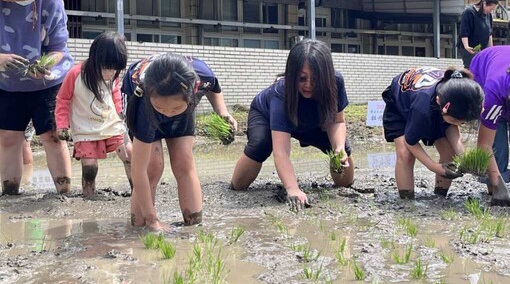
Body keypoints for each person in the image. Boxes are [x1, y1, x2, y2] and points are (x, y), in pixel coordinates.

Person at [230, 39, 354, 210]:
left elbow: (337, 121)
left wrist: (339, 147)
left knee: (344, 179)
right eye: (302, 78)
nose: (309, 85)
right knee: (259, 148)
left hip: (312, 121)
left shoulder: (336, 82)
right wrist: (293, 188)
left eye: (315, 78)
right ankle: (236, 182)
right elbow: (281, 152)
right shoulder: (281, 94)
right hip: (266, 115)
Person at [122, 53, 237, 231]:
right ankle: (140, 227)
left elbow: (214, 86)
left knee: (184, 161)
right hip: (148, 110)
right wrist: (153, 220)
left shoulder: (201, 75)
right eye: (162, 108)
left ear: (193, 91)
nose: (168, 113)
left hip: (182, 106)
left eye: (174, 108)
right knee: (152, 167)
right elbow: (138, 170)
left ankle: (194, 225)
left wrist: (223, 112)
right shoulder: (144, 105)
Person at [0, 0, 73, 195]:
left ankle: (64, 192)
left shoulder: (51, 1)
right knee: (9, 137)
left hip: (47, 83)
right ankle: (10, 193)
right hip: (7, 84)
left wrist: (45, 65)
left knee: (52, 136)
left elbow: (58, 47)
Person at [381, 67, 484, 199]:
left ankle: (440, 197)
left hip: (435, 105)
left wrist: (465, 158)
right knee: (405, 154)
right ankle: (406, 201)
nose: (458, 125)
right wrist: (434, 167)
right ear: (442, 105)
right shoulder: (422, 108)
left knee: (449, 152)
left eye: (462, 122)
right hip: (400, 104)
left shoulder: (460, 97)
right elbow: (410, 141)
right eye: (454, 120)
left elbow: (452, 127)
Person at [55, 32, 131, 197]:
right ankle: (89, 196)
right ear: (95, 59)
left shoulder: (113, 77)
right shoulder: (75, 74)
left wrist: (119, 112)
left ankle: (138, 191)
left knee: (129, 154)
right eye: (106, 68)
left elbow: (115, 93)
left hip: (110, 121)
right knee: (90, 167)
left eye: (115, 69)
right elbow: (62, 100)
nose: (110, 73)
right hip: (84, 126)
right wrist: (62, 126)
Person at [470, 46, 510, 205]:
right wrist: (499, 186)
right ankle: (495, 185)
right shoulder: (493, 94)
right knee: (497, 143)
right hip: (484, 70)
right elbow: (484, 145)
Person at [458, 0, 499, 69]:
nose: (491, 11)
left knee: (482, 68)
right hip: (469, 47)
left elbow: (489, 33)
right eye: (491, 9)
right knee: (471, 67)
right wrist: (466, 46)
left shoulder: (488, 15)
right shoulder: (469, 12)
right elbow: (464, 30)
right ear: (484, 4)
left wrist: (491, 49)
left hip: (481, 48)